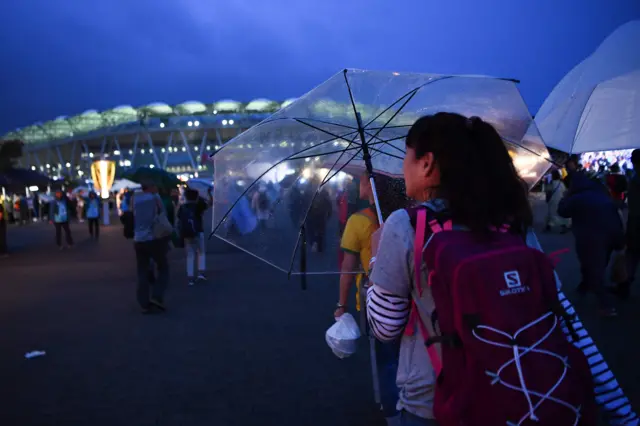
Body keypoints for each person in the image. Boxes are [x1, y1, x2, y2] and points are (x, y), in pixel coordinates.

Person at [365, 113, 602, 426]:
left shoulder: (404, 226)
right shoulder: (509, 218)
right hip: (515, 387)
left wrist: (375, 261)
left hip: (433, 400)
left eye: (406, 157)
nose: (402, 168)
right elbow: (551, 305)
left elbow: (384, 328)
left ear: (427, 163)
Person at [335, 172, 407, 426]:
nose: (359, 184)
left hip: (375, 300)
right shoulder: (405, 216)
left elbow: (347, 268)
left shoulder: (357, 221)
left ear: (373, 185)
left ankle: (392, 414)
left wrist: (341, 305)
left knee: (386, 361)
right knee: (408, 356)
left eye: (364, 180)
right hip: (410, 296)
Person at [558, 165, 624, 317]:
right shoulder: (601, 193)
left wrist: (566, 196)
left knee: (594, 269)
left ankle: (605, 305)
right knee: (597, 265)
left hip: (590, 239)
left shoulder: (576, 197)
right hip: (612, 234)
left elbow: (562, 211)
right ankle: (585, 286)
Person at [133, 181, 170, 313]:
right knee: (163, 268)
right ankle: (157, 296)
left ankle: (144, 302)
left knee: (142, 271)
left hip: (138, 239)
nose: (157, 187)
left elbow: (131, 215)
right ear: (150, 187)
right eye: (155, 185)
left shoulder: (135, 198)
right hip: (153, 238)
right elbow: (163, 213)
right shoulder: (155, 197)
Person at [612, 148, 640, 299]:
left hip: (636, 221)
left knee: (632, 255)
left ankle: (625, 284)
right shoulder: (633, 177)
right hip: (635, 219)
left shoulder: (636, 179)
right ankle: (625, 283)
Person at [177, 188, 212, 286]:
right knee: (201, 253)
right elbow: (210, 203)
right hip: (198, 232)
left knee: (190, 255)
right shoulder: (198, 206)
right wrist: (208, 193)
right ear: (196, 197)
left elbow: (178, 218)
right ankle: (201, 273)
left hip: (187, 234)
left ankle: (190, 278)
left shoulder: (182, 207)